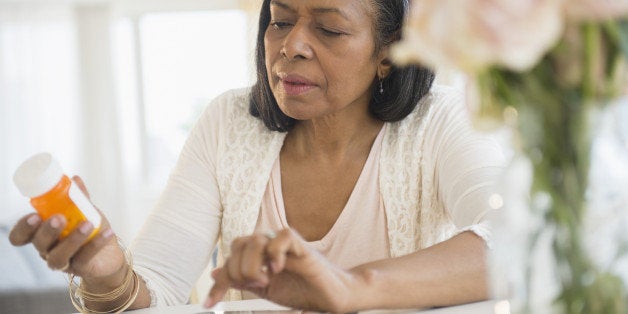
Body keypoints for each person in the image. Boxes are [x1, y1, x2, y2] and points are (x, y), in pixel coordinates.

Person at [8, 0, 505, 312]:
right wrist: (106, 271)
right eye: (280, 21)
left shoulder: (439, 121)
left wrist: (348, 287)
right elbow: (152, 294)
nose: (291, 46)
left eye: (329, 29)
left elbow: (512, 243)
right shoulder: (228, 123)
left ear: (388, 52)